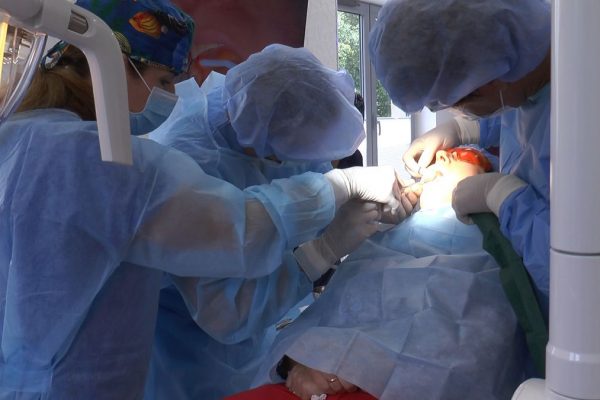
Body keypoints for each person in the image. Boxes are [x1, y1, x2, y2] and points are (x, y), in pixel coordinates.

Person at [0, 1, 413, 398]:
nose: (172, 97)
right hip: (87, 383)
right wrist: (340, 193)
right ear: (113, 65)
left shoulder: (19, 137)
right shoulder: (112, 165)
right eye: (164, 81)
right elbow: (240, 228)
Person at [143, 44, 388, 399]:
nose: (303, 162)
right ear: (271, 139)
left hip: (258, 341)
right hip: (185, 356)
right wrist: (324, 249)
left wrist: (366, 208)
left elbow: (312, 192)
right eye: (292, 151)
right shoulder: (189, 161)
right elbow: (227, 310)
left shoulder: (272, 125)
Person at [226, 146, 528, 400]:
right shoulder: (387, 240)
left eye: (468, 159)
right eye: (439, 160)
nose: (442, 157)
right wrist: (299, 361)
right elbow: (330, 313)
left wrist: (349, 361)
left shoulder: (490, 245)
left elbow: (473, 343)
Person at [368, 0, 551, 315]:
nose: (440, 158)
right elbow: (518, 128)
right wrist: (463, 131)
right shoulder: (523, 86)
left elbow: (580, 274)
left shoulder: (582, 110)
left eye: (453, 102)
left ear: (489, 78)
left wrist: (502, 195)